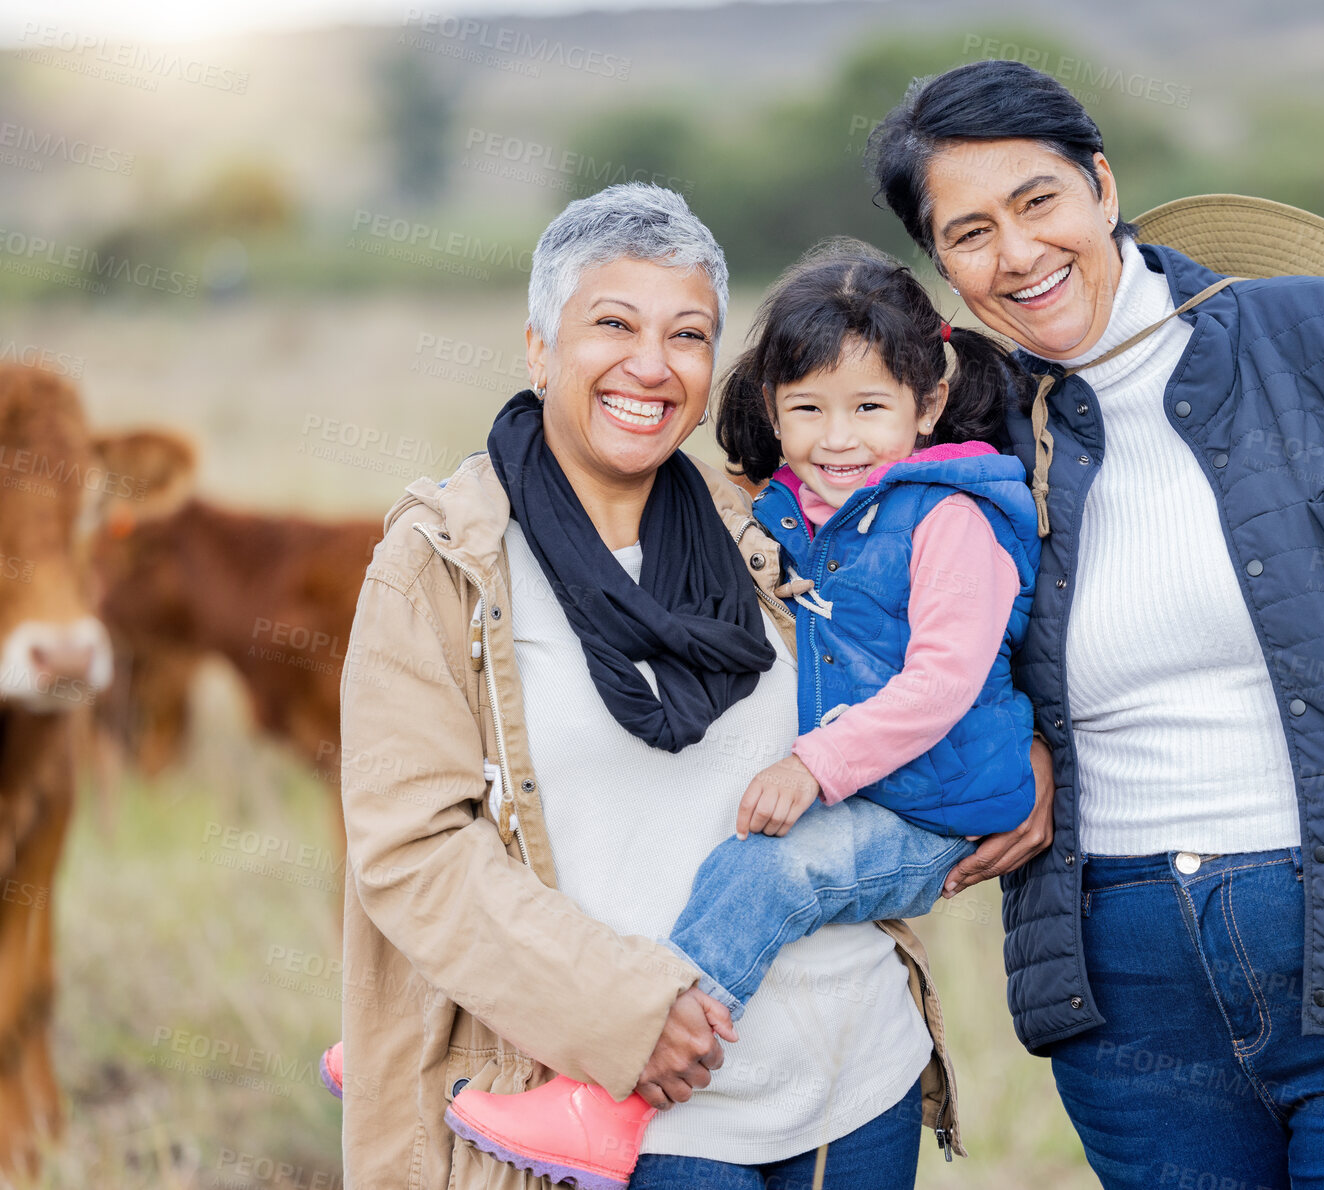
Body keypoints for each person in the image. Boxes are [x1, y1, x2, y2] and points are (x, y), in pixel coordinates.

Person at [864, 60, 1324, 1188]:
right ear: (941, 265)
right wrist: (1025, 749)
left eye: (1039, 200)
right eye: (970, 231)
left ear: (1102, 184)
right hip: (1129, 991)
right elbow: (929, 652)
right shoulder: (971, 444)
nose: (1018, 254)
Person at [334, 185, 996, 1190]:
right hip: (634, 1109)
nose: (651, 363)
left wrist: (1023, 757)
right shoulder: (444, 564)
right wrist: (621, 1008)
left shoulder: (768, 531)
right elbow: (412, 849)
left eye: (687, 333)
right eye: (613, 323)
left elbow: (935, 653)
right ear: (538, 347)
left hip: (856, 1080)